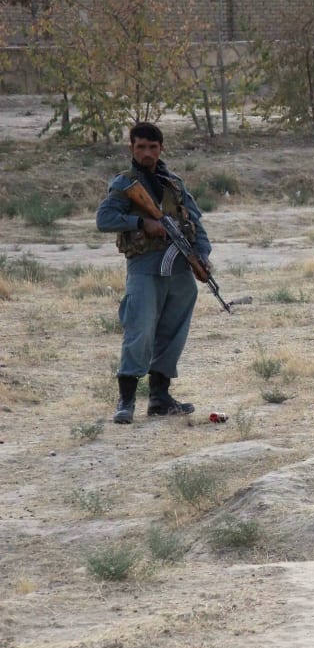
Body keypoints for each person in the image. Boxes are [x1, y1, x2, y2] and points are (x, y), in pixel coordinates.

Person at [96, 122, 212, 424]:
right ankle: (127, 400)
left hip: (179, 269)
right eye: (141, 147)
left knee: (174, 330)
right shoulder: (125, 184)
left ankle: (160, 397)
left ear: (160, 149)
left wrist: (203, 256)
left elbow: (195, 221)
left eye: (153, 147)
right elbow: (104, 218)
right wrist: (141, 224)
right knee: (140, 329)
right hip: (145, 267)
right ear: (132, 148)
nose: (147, 153)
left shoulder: (173, 183)